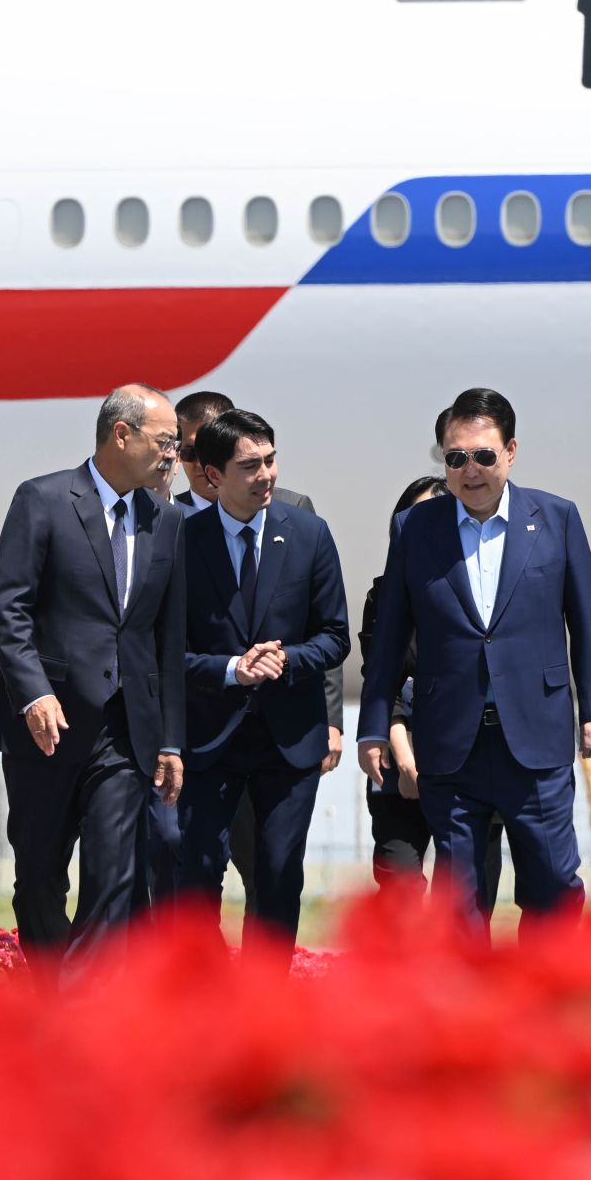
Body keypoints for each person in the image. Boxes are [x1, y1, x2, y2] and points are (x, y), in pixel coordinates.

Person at [357, 388, 591, 934]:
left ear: (511, 452)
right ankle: (468, 1013)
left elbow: (586, 620)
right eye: (455, 458)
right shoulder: (416, 529)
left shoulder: (557, 518)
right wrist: (373, 725)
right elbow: (390, 636)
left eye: (483, 456)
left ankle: (550, 1004)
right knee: (460, 903)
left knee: (553, 885)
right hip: (450, 744)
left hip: (536, 740)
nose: (469, 470)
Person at [0, 385, 187, 967]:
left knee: (114, 875)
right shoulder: (42, 500)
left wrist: (171, 739)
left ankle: (79, 1014)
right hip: (45, 725)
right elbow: (9, 609)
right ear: (121, 435)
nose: (172, 454)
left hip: (124, 733)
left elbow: (167, 640)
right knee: (39, 878)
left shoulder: (167, 521)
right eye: (164, 440)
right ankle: (50, 996)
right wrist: (34, 693)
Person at [174, 410, 349, 962]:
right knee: (196, 872)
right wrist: (231, 669)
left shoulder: (309, 533)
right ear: (211, 475)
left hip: (288, 736)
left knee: (277, 874)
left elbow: (335, 635)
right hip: (208, 737)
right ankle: (200, 1001)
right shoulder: (181, 540)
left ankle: (264, 1012)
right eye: (249, 466)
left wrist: (286, 659)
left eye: (270, 460)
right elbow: (163, 651)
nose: (266, 475)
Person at [360, 474, 509, 902]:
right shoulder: (383, 595)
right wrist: (406, 764)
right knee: (398, 882)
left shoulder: (484, 594)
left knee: (469, 890)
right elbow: (381, 682)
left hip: (470, 760)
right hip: (399, 753)